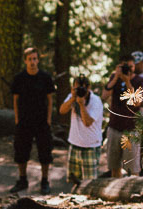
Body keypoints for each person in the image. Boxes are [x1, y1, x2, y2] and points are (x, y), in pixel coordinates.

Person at [10, 47, 56, 194]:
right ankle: (22, 180)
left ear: (38, 60)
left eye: (35, 59)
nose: (32, 62)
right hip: (24, 121)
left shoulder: (45, 77)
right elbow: (15, 100)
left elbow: (50, 100)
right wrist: (17, 119)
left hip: (42, 121)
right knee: (21, 151)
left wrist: (48, 119)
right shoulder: (19, 78)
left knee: (45, 151)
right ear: (25, 61)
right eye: (29, 59)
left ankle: (44, 181)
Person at [101, 55, 143, 178]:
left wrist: (127, 81)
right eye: (125, 66)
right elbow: (104, 96)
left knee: (132, 169)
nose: (128, 69)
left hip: (131, 129)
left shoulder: (140, 81)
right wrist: (116, 76)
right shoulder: (114, 78)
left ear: (135, 66)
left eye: (131, 66)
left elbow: (137, 102)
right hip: (114, 127)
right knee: (114, 166)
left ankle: (133, 193)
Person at [59, 75, 104, 189]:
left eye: (82, 89)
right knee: (74, 180)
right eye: (76, 88)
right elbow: (62, 111)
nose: (80, 91)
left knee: (89, 184)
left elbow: (88, 122)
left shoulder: (96, 101)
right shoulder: (72, 96)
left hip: (90, 145)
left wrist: (81, 105)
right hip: (75, 143)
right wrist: (72, 99)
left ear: (88, 88)